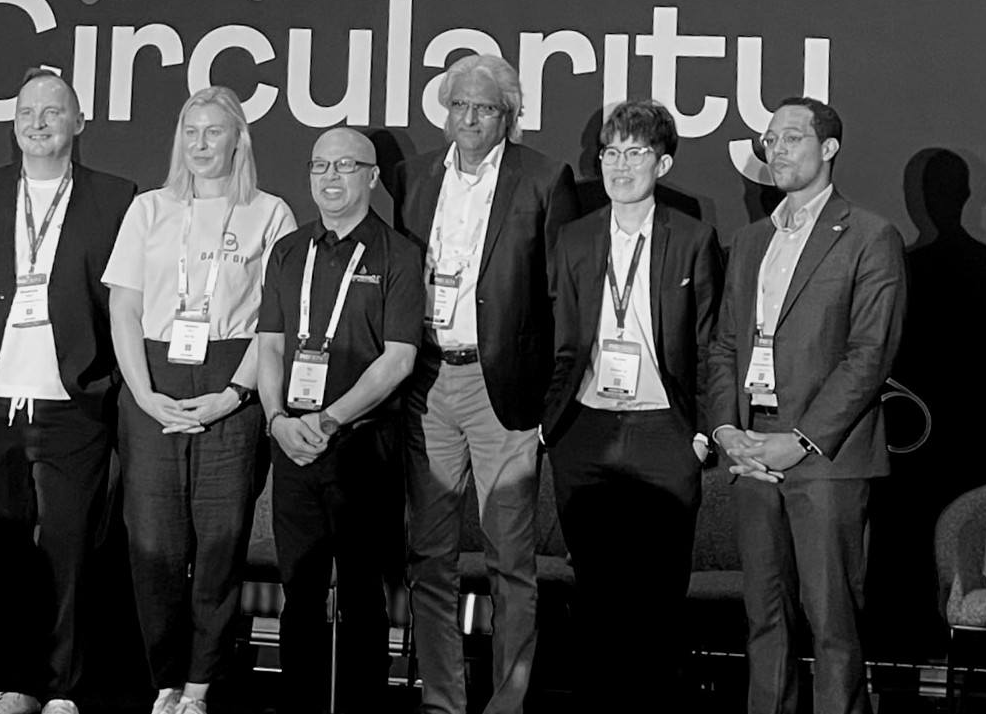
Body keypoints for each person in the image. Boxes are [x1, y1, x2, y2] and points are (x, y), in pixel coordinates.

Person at [0, 68, 138, 714]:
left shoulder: (116, 196)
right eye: (26, 111)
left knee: (69, 549)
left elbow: (125, 300)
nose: (38, 122)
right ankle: (14, 683)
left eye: (52, 111)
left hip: (72, 401)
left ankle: (62, 687)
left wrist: (109, 380)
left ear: (79, 122)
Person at [388, 53, 576, 714]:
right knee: (429, 558)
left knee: (510, 562)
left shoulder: (544, 178)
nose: (469, 118)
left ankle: (505, 704)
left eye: (484, 107)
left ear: (509, 115)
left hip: (505, 390)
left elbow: (560, 296)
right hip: (428, 381)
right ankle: (442, 701)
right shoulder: (413, 176)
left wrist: (550, 399)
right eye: (459, 105)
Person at [706, 97, 906, 714]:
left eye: (791, 138)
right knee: (765, 619)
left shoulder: (868, 235)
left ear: (829, 148)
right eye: (770, 140)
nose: (777, 150)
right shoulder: (750, 240)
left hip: (825, 456)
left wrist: (800, 441)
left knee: (832, 623)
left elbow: (869, 354)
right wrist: (727, 430)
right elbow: (725, 344)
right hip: (751, 447)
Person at [102, 86, 296, 714]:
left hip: (231, 382)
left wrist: (235, 394)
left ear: (239, 139)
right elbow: (124, 308)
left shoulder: (270, 213)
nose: (201, 144)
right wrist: (143, 393)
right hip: (152, 382)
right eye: (191, 131)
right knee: (153, 546)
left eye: (214, 131)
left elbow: (275, 322)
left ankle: (200, 685)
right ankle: (165, 679)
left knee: (220, 543)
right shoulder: (149, 209)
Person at [540, 100, 721, 707]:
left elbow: (708, 344)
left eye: (636, 152)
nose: (620, 165)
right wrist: (550, 424)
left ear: (662, 164)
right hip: (585, 431)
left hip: (664, 431)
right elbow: (559, 339)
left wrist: (704, 430)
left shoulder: (692, 238)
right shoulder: (574, 238)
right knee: (594, 594)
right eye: (610, 152)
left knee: (657, 596)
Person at [257, 128, 423, 714]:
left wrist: (328, 421)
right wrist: (277, 419)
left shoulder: (398, 254)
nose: (330, 177)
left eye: (345, 166)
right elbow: (269, 345)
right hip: (292, 445)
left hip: (361, 447)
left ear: (372, 177)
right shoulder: (288, 250)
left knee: (362, 593)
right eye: (320, 166)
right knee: (299, 592)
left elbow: (398, 359)